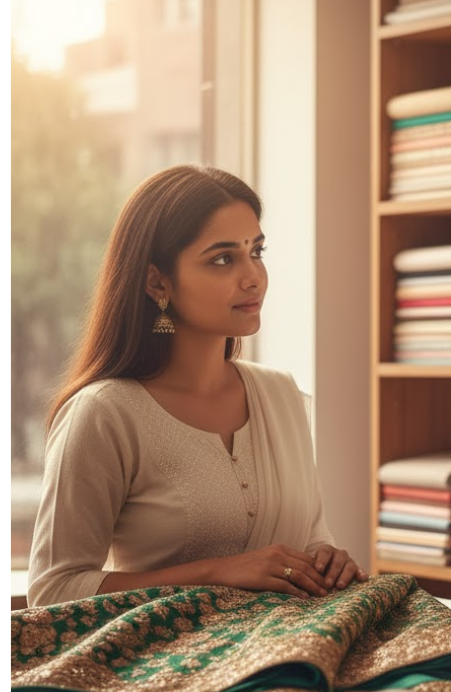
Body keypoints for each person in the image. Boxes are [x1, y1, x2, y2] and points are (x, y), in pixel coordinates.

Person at [28, 165, 367, 607]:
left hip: (294, 650)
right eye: (223, 259)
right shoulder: (104, 414)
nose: (253, 277)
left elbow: (310, 539)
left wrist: (326, 561)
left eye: (257, 252)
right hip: (167, 666)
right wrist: (217, 574)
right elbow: (53, 591)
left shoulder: (281, 396)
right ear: (157, 282)